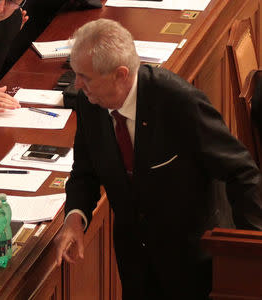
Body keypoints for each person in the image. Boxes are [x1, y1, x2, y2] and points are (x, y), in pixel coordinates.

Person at [54, 19, 262, 300]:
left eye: (85, 77)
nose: (77, 85)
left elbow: (241, 171)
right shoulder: (89, 103)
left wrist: (251, 253)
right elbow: (85, 171)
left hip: (192, 261)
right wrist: (75, 217)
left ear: (120, 74)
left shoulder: (179, 102)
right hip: (136, 264)